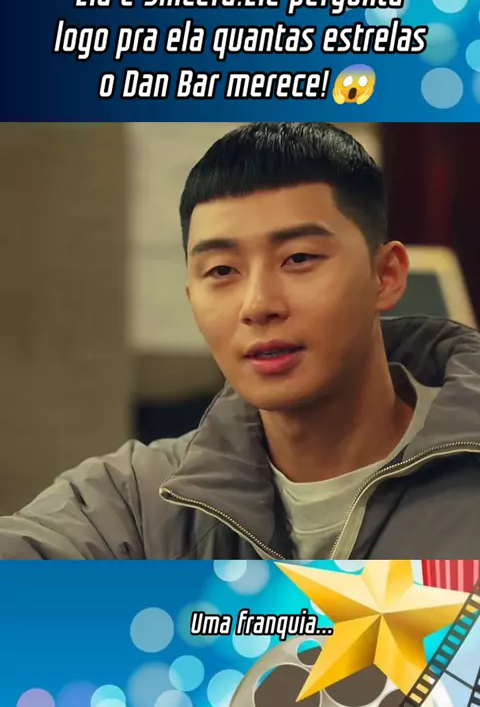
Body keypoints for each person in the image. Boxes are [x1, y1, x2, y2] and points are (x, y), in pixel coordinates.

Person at [1, 122, 480, 560]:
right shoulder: (138, 503)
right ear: (192, 297)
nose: (258, 304)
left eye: (298, 259)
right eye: (222, 270)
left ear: (385, 275)